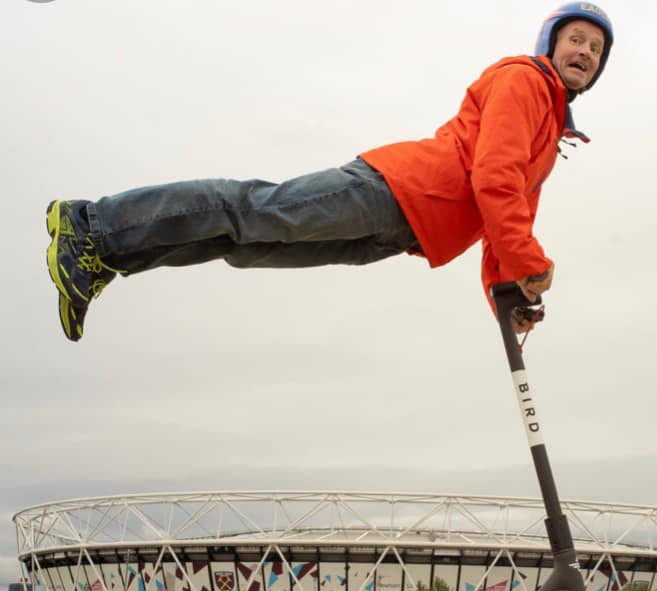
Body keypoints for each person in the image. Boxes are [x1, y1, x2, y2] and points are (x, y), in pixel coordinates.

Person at [45, 2, 613, 342]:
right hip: (395, 191)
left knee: (245, 244)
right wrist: (533, 263)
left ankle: (106, 256)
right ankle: (92, 225)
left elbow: (503, 218)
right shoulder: (524, 82)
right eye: (576, 39)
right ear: (551, 44)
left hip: (403, 233)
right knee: (252, 210)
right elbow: (493, 180)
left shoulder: (550, 133)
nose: (584, 51)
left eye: (594, 48)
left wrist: (507, 297)